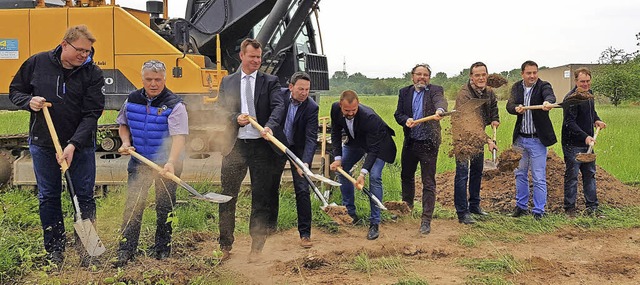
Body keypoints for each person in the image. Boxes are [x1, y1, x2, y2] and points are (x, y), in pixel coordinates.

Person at [9, 25, 105, 268]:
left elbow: (92, 114)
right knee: (48, 197)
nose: (85, 55)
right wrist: (29, 101)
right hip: (44, 143)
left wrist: (73, 144)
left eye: (88, 51)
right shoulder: (38, 63)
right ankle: (55, 251)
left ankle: (88, 251)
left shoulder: (92, 73)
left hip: (80, 146)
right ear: (64, 44)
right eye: (80, 50)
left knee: (83, 196)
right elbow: (15, 91)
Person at [112, 60, 189, 267]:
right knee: (133, 205)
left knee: (165, 207)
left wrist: (171, 162)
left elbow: (179, 137)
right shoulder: (132, 100)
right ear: (142, 79)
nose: (153, 83)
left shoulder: (175, 105)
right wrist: (126, 142)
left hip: (167, 164)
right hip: (140, 162)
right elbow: (123, 124)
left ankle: (163, 249)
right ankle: (126, 250)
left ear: (164, 79)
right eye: (149, 79)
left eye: (158, 79)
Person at [217, 38, 285, 261]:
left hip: (261, 147)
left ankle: (257, 247)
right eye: (252, 56)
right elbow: (220, 110)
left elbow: (278, 106)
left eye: (259, 57)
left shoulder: (270, 81)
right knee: (227, 195)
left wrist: (269, 126)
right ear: (242, 56)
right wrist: (235, 118)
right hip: (235, 146)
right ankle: (225, 244)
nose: (256, 60)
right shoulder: (227, 82)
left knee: (261, 197)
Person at [330, 90, 396, 240]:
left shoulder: (369, 117)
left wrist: (362, 173)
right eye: (347, 111)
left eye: (354, 110)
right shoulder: (335, 109)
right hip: (356, 141)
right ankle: (350, 213)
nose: (351, 113)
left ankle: (374, 222)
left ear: (358, 104)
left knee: (374, 177)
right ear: (340, 105)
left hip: (380, 146)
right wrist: (338, 158)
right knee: (342, 169)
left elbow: (373, 150)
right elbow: (335, 132)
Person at [393, 64, 447, 235]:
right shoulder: (404, 92)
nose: (422, 77)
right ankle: (406, 208)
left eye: (425, 75)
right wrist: (406, 120)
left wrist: (440, 110)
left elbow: (441, 101)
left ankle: (426, 219)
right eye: (419, 74)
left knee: (428, 181)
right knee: (406, 176)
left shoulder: (435, 90)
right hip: (411, 142)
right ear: (412, 76)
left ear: (429, 78)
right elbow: (398, 114)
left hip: (429, 144)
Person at [506, 60, 557, 220]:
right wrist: (516, 109)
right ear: (523, 74)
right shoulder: (516, 87)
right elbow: (509, 105)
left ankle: (538, 211)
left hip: (537, 140)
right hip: (520, 139)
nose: (532, 76)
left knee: (538, 176)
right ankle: (521, 207)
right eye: (529, 73)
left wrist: (548, 102)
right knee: (520, 174)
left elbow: (550, 96)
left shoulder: (543, 86)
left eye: (535, 72)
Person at [452, 62, 499, 225]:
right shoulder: (465, 94)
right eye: (477, 75)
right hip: (462, 136)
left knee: (477, 170)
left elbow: (493, 107)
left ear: (487, 75)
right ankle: (462, 212)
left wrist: (495, 119)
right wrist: (487, 140)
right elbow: (469, 124)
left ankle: (474, 205)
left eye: (483, 74)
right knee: (463, 173)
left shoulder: (489, 91)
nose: (481, 78)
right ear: (471, 77)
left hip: (479, 134)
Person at [279, 72, 319, 248]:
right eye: (301, 89)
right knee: (269, 186)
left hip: (298, 149)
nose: (304, 93)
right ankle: (268, 228)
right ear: (291, 87)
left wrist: (305, 162)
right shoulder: (278, 96)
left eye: (307, 90)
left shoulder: (311, 107)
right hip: (277, 144)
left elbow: (311, 137)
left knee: (303, 189)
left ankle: (305, 234)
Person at [561, 67, 607, 217]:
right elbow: (570, 122)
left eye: (588, 81)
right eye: (582, 82)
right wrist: (585, 137)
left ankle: (592, 208)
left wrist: (597, 120)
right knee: (572, 176)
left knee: (590, 175)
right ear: (576, 81)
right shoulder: (571, 99)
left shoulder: (589, 95)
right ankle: (570, 209)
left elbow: (591, 112)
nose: (586, 84)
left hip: (587, 143)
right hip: (572, 144)